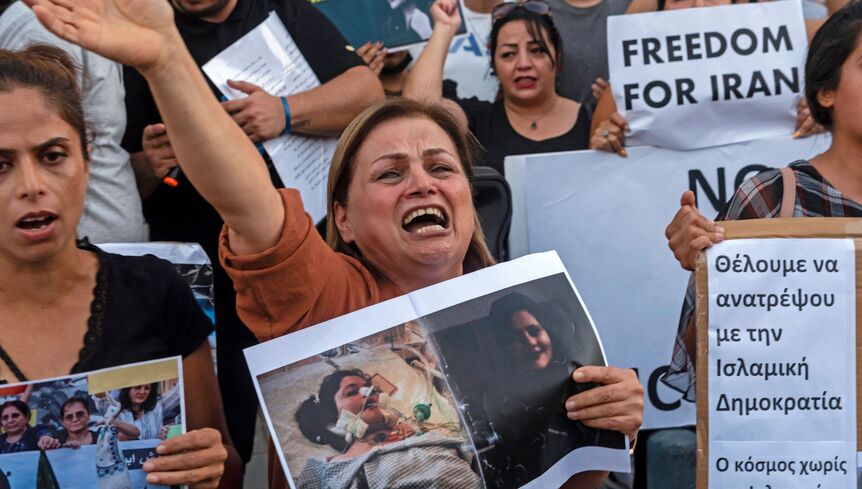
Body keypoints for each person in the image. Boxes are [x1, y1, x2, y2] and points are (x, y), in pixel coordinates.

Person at [22, 3, 644, 489]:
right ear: (342, 219)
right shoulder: (325, 296)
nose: (421, 182)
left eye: (440, 166)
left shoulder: (524, 310)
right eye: (390, 173)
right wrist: (164, 59)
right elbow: (244, 197)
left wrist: (611, 425)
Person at [121, 0, 383, 465]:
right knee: (225, 427)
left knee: (331, 409)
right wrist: (148, 163)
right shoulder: (141, 33)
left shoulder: (281, 10)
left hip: (304, 255)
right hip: (204, 276)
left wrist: (284, 111)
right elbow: (117, 178)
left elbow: (367, 93)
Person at [0, 45, 240, 487]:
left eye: (52, 156)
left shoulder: (155, 291)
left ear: (87, 159)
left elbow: (225, 464)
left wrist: (209, 466)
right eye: (0, 164)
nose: (31, 187)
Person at [661, 0, 862, 400]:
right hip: (807, 458)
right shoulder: (773, 199)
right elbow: (707, 366)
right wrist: (709, 271)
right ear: (826, 91)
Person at [589, 0, 827, 157]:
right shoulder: (625, 89)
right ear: (660, 9)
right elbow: (595, 174)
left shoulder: (789, 64)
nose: (698, 4)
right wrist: (607, 144)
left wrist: (819, 121)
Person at [0, 1, 146, 244]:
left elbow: (100, 141)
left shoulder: (86, 18)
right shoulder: (47, 26)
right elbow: (29, 142)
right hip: (65, 247)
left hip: (105, 251)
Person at [405, 0, 592, 174]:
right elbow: (419, 109)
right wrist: (444, 29)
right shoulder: (478, 121)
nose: (523, 64)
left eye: (536, 51)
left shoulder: (591, 119)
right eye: (508, 54)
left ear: (558, 57)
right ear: (494, 64)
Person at [471, 293, 627, 486]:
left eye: (534, 331)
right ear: (506, 349)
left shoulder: (583, 382)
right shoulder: (495, 398)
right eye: (515, 338)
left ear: (548, 332)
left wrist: (627, 436)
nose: (530, 342)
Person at [294, 368, 481, 488]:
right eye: (351, 392)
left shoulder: (423, 435)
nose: (370, 394)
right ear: (333, 417)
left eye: (371, 390)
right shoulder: (322, 469)